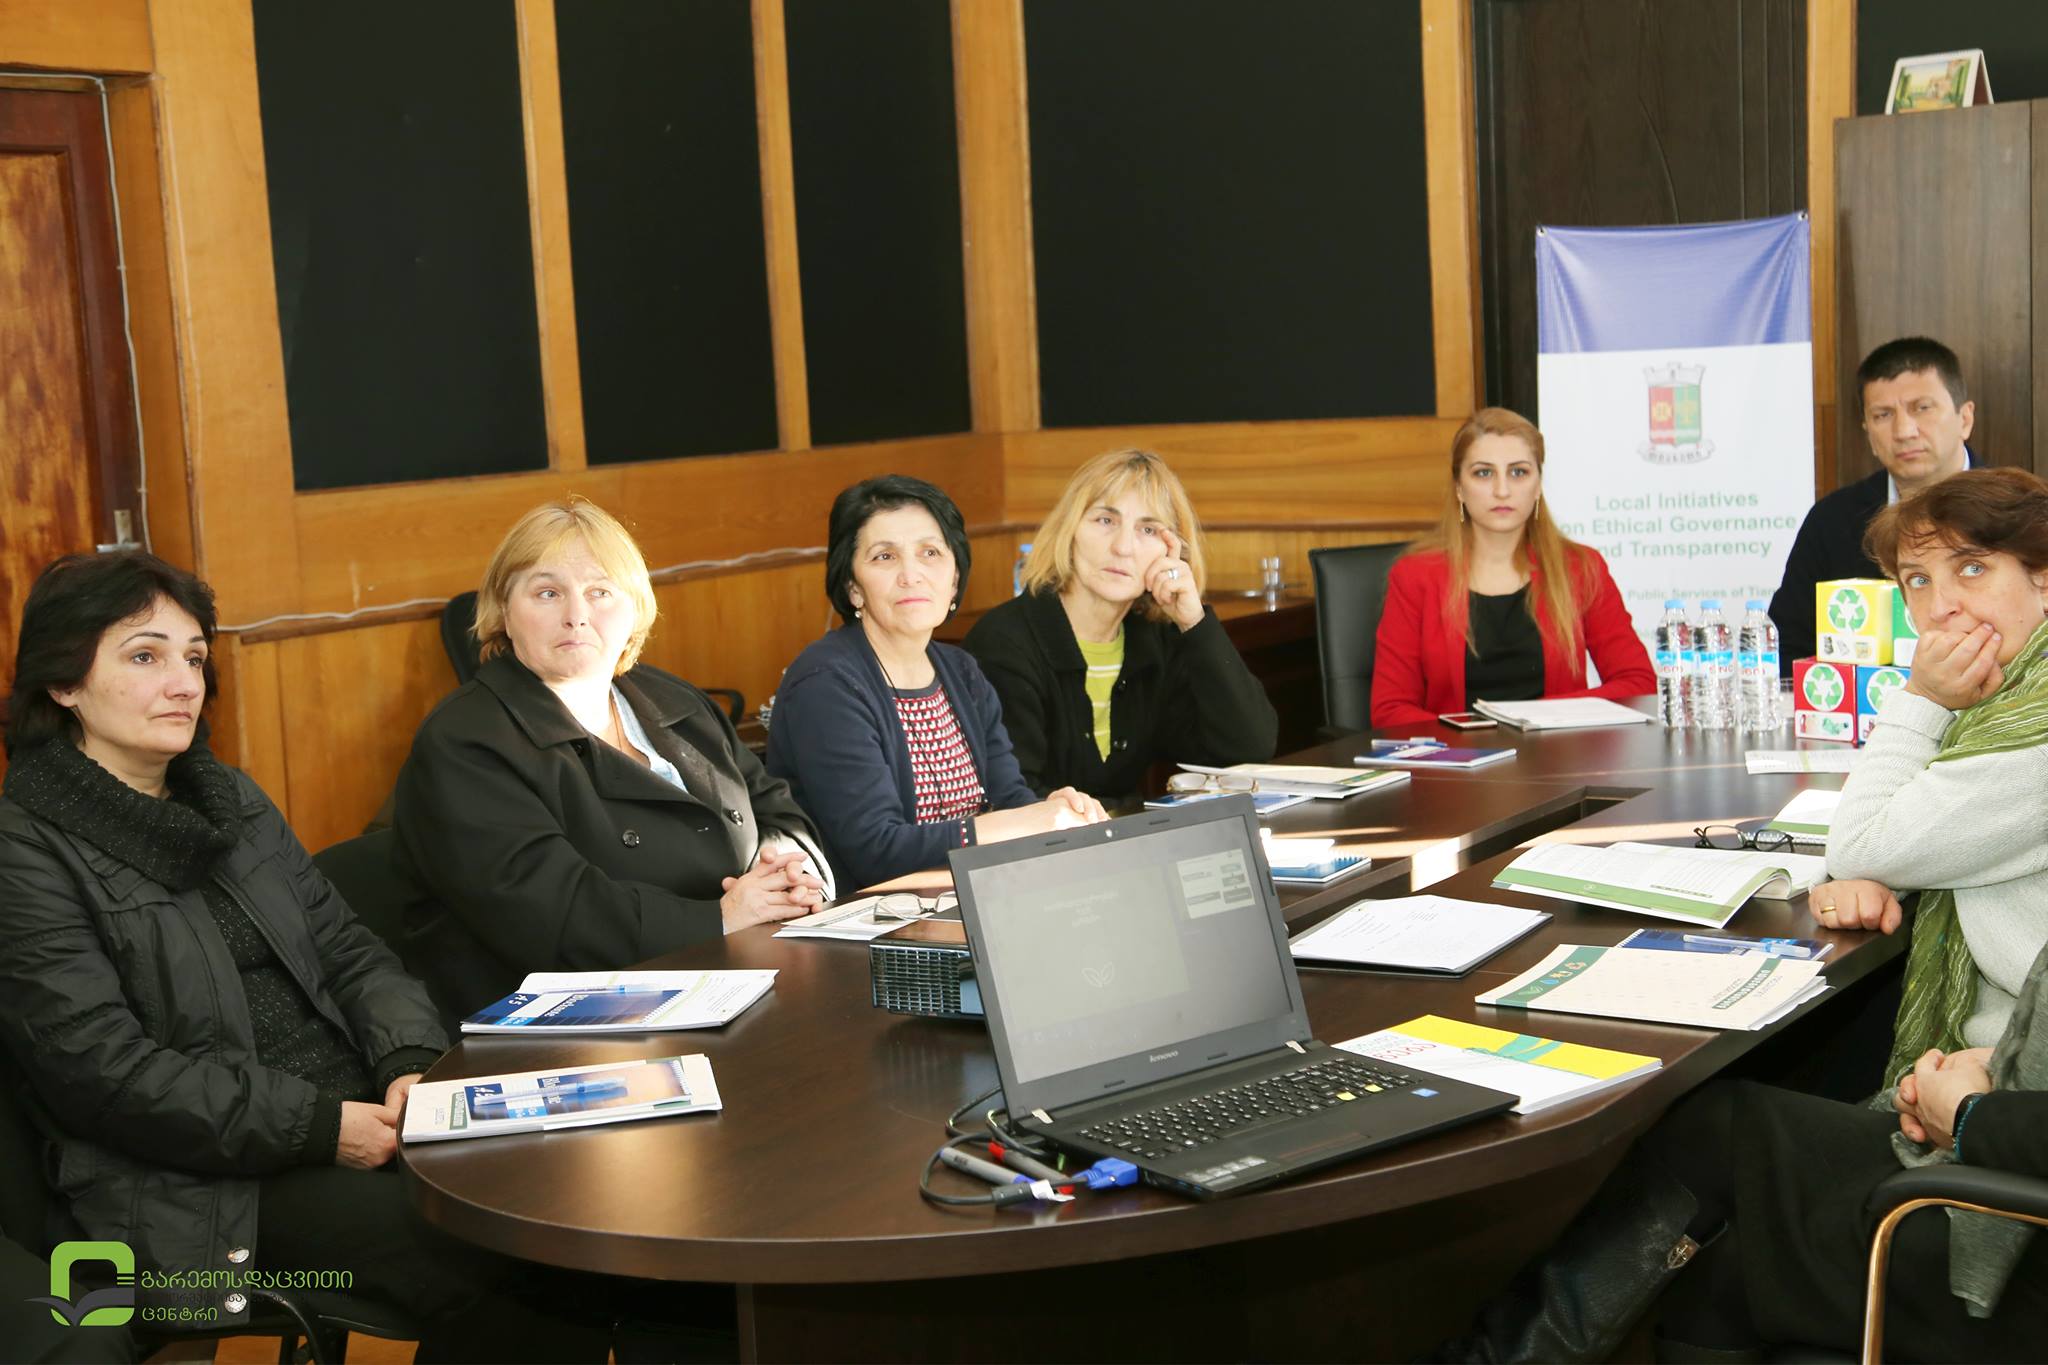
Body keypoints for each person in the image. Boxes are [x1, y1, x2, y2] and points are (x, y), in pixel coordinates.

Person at [1440, 469, 2048, 1363]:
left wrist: (1918, 704)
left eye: (1972, 569)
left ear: (2043, 577)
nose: (1943, 606)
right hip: (2006, 1092)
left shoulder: (2028, 733)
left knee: (1714, 1144)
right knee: (1717, 1236)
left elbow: (1868, 835)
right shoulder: (2005, 709)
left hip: (2010, 1181)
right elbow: (1911, 845)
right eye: (1918, 580)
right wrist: (1884, 873)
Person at [0, 552, 590, 1360]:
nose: (183, 684)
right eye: (144, 656)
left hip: (360, 1117)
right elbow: (106, 1073)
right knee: (499, 1254)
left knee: (568, 1204)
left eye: (194, 658)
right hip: (197, 1189)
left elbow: (350, 952)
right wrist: (321, 1127)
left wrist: (409, 1063)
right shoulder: (25, 848)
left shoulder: (227, 797)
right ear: (64, 683)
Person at [394, 498, 831, 1020]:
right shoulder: (464, 741)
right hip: (567, 1019)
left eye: (599, 592)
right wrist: (721, 917)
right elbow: (553, 915)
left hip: (734, 977)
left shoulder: (675, 700)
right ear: (504, 612)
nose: (576, 616)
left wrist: (788, 871)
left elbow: (776, 808)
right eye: (548, 593)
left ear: (635, 609)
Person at [766, 475, 1107, 890]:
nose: (911, 575)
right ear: (853, 587)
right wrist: (1023, 822)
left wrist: (1052, 809)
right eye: (884, 557)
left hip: (969, 895)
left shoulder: (962, 671)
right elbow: (875, 851)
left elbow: (1008, 797)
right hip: (868, 914)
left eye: (930, 553)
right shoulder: (826, 684)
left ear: (955, 579)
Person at [961, 448, 1276, 801]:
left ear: (1172, 550)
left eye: (1148, 529)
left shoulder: (1155, 639)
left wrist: (1193, 621)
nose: (1123, 547)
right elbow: (1012, 799)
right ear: (1070, 530)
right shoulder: (1004, 643)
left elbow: (1248, 749)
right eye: (1105, 521)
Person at [1371, 407, 1653, 729]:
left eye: (1518, 472)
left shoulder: (1581, 568)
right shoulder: (1414, 576)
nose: (1502, 490)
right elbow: (1390, 710)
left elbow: (1638, 683)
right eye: (1483, 473)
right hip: (1459, 755)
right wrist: (1477, 734)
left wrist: (1534, 718)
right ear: (1459, 487)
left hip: (1557, 754)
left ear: (1538, 485)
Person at [1768, 335, 1977, 671]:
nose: (1904, 431)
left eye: (1922, 408)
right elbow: (1788, 649)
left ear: (1964, 419)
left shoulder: (2016, 512)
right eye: (1883, 415)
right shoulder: (1832, 520)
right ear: (1867, 431)